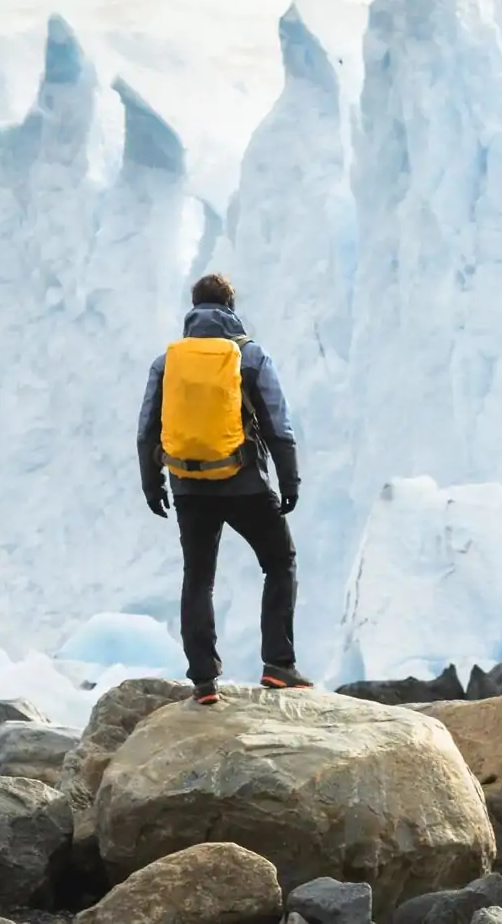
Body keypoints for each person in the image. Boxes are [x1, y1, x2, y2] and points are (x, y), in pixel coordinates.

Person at [138, 272, 308, 703]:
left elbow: (147, 429)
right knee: (279, 561)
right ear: (231, 307)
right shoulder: (250, 357)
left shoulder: (167, 362)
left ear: (193, 308)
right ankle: (278, 665)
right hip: (243, 482)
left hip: (189, 487)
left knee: (198, 577)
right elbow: (276, 422)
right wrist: (289, 479)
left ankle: (203, 680)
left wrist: (151, 484)